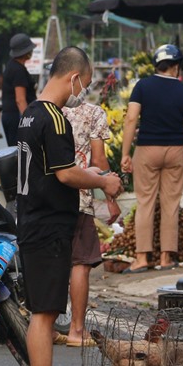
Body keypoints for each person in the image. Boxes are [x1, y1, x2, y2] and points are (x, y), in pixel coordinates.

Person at [17, 46, 122, 366]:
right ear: (73, 77)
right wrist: (103, 182)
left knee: (40, 311)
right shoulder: (56, 118)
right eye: (86, 84)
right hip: (49, 223)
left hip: (31, 219)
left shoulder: (29, 113)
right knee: (44, 313)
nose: (84, 91)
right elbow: (66, 173)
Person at [119, 45, 183, 272]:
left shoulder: (142, 87)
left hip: (147, 150)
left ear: (157, 65)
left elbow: (131, 119)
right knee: (170, 204)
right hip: (176, 151)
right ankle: (166, 258)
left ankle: (142, 258)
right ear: (176, 67)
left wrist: (126, 153)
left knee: (145, 203)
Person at [60, 100, 120, 347]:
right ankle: (76, 329)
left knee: (55, 260)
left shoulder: (45, 110)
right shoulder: (93, 113)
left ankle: (47, 326)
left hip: (48, 200)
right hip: (80, 194)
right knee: (81, 263)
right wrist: (109, 195)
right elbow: (98, 158)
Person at [1, 33, 37, 146]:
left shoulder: (11, 66)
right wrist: (28, 121)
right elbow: (20, 100)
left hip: (9, 115)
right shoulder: (18, 70)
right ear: (26, 52)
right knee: (20, 153)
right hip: (16, 117)